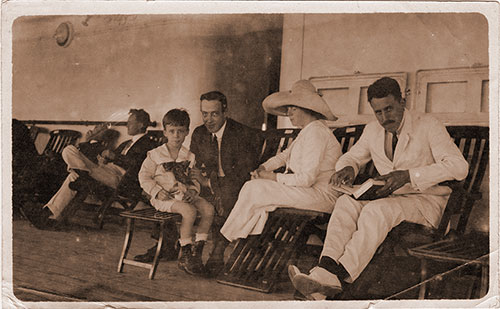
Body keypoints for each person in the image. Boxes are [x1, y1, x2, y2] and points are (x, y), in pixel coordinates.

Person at [288, 77, 469, 300]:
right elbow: (352, 156)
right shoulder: (373, 130)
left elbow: (459, 167)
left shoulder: (428, 124)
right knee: (345, 202)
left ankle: (339, 276)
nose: (384, 117)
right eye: (378, 112)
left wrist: (409, 175)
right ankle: (325, 270)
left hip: (426, 202)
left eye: (389, 109)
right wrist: (349, 168)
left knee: (376, 211)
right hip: (391, 200)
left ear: (402, 101)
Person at [220, 80, 342, 243]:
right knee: (255, 190)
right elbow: (284, 156)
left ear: (307, 109)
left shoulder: (316, 133)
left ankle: (230, 240)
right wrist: (263, 167)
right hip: (308, 192)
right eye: (288, 108)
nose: (289, 112)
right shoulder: (307, 131)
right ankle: (243, 239)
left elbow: (306, 179)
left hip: (321, 196)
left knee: (256, 189)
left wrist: (270, 177)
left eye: (293, 108)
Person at [21, 109, 157, 229]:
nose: (127, 124)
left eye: (131, 122)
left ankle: (49, 211)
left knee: (75, 176)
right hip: (105, 171)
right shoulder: (126, 143)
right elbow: (113, 158)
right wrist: (105, 159)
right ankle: (48, 216)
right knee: (69, 150)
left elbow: (139, 164)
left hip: (122, 179)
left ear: (141, 125)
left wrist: (114, 157)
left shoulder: (148, 144)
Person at [189, 91, 263, 276]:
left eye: (214, 113)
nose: (208, 119)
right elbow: (193, 164)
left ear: (225, 112)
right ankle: (189, 253)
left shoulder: (243, 134)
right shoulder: (199, 133)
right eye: (204, 113)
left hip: (237, 187)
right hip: (209, 186)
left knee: (227, 193)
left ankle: (217, 252)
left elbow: (243, 175)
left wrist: (209, 182)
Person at [137, 109, 215, 275]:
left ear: (187, 132)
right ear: (165, 132)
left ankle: (197, 252)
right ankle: (185, 253)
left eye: (180, 131)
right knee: (189, 211)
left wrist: (194, 190)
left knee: (208, 209)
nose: (176, 136)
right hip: (165, 197)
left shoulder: (189, 156)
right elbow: (144, 177)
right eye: (171, 131)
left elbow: (194, 179)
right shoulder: (155, 155)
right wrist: (157, 191)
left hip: (185, 194)